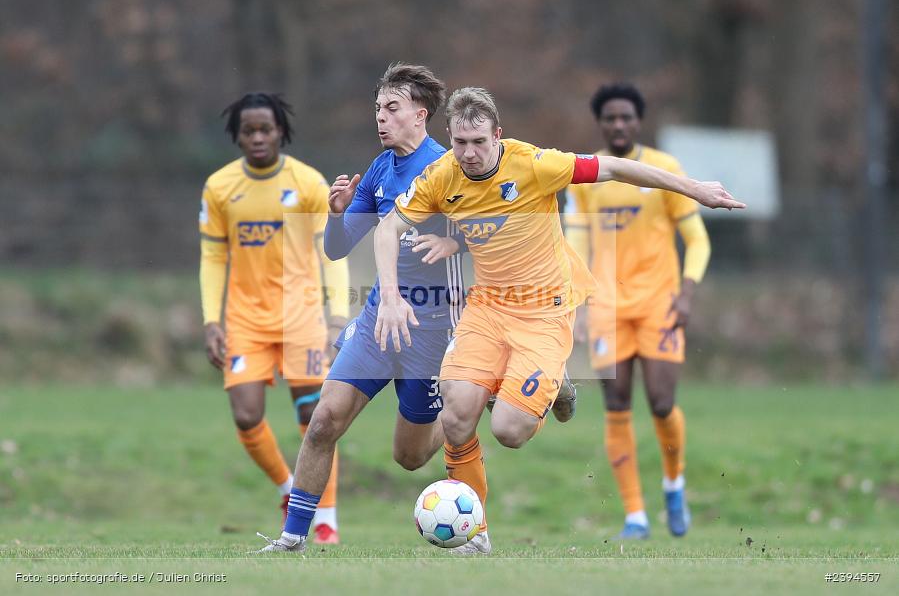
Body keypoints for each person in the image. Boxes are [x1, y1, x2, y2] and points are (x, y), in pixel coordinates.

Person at [373, 87, 743, 555]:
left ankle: (552, 387)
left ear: (498, 136)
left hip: (543, 313)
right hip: (486, 310)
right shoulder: (440, 176)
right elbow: (390, 228)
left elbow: (614, 167)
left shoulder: (534, 165)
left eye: (479, 142)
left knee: (508, 431)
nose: (468, 153)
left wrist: (696, 189)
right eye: (460, 142)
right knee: (457, 414)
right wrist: (390, 295)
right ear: (449, 137)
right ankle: (477, 534)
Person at [255, 63, 469, 554]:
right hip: (378, 320)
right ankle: (293, 538)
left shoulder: (449, 168)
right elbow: (336, 248)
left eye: (392, 109)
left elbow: (485, 236)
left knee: (409, 457)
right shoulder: (378, 169)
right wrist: (336, 213)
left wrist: (452, 240)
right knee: (324, 418)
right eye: (377, 109)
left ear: (420, 115)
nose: (381, 118)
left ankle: (469, 403)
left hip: (432, 330)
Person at [199, 92, 349, 544]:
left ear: (281, 131)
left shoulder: (307, 182)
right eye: (250, 131)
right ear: (238, 136)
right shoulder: (220, 187)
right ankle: (290, 490)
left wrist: (338, 315)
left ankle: (325, 519)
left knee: (316, 417)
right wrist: (211, 320)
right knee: (246, 416)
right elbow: (212, 255)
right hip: (244, 320)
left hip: (301, 317)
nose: (259, 137)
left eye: (266, 129)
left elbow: (333, 250)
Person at [565, 83, 711, 540]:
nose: (619, 124)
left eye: (626, 117)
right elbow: (578, 242)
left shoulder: (664, 170)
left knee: (663, 402)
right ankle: (635, 515)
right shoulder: (588, 175)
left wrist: (687, 293)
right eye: (610, 118)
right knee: (616, 404)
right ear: (601, 124)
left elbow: (698, 239)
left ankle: (674, 483)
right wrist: (581, 304)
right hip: (607, 307)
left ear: (639, 121)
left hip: (658, 304)